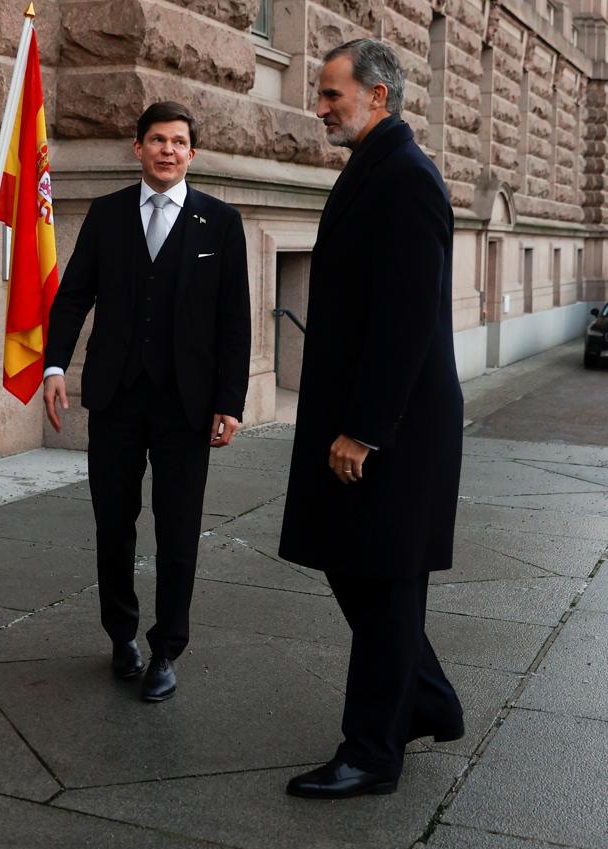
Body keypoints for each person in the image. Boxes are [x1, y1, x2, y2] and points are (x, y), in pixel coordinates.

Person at [279, 38, 465, 799]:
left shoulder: (409, 178)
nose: (319, 107)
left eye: (331, 94)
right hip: (364, 415)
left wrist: (366, 429)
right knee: (362, 572)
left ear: (379, 96)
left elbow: (407, 320)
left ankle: (371, 753)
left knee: (384, 582)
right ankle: (425, 698)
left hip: (394, 426)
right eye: (320, 93)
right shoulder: (376, 166)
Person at [43, 101, 251, 702]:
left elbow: (234, 322)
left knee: (179, 527)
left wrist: (229, 401)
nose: (167, 150)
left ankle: (167, 649)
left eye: (179, 141)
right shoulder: (106, 216)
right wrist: (56, 364)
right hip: (116, 400)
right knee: (114, 523)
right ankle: (121, 635)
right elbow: (74, 294)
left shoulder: (221, 222)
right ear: (137, 149)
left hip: (187, 407)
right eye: (157, 139)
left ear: (192, 153)